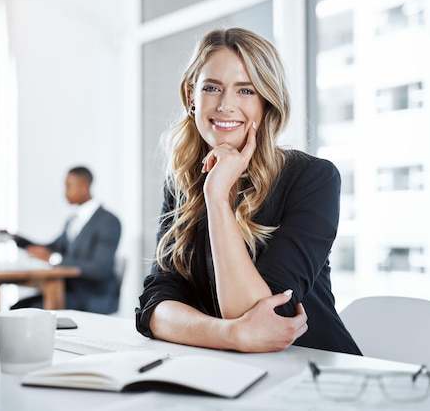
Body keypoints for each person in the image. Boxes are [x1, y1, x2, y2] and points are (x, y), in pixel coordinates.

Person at [135, 27, 361, 355]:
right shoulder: (183, 183)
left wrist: (217, 199)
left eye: (246, 91)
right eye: (212, 88)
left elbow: (266, 314)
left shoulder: (313, 178)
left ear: (267, 100)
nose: (226, 105)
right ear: (191, 97)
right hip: (229, 369)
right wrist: (231, 335)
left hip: (315, 371)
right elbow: (155, 308)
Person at [0, 166, 122, 314]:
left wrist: (53, 259)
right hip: (68, 292)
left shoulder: (108, 221)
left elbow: (99, 268)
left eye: (69, 186)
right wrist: (16, 239)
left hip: (92, 297)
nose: (65, 192)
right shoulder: (73, 221)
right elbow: (51, 248)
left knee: (27, 312)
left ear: (84, 187)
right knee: (16, 309)